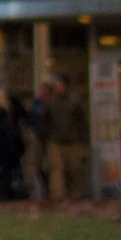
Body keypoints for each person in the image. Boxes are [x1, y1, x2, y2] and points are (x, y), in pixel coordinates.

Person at [37, 76, 89, 204]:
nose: (57, 87)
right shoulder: (50, 102)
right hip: (55, 141)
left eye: (59, 84)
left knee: (74, 169)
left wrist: (82, 139)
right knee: (56, 169)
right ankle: (57, 197)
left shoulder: (74, 101)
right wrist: (44, 139)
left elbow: (81, 122)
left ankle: (75, 195)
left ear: (65, 85)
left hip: (72, 141)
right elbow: (44, 122)